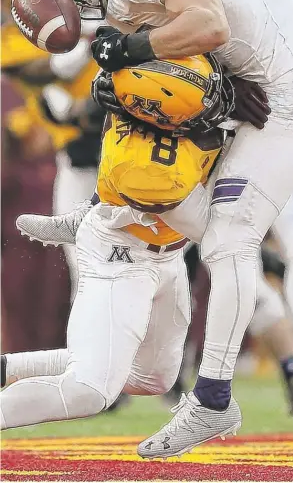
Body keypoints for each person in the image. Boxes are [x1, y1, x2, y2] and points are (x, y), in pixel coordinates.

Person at [28, 0, 293, 456]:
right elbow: (214, 34)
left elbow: (211, 23)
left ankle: (213, 400)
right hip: (261, 81)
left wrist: (128, 51)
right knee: (137, 115)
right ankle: (106, 212)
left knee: (230, 241)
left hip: (283, 97)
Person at [0, 54, 228, 429]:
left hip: (166, 256)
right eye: (195, 92)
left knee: (152, 378)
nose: (209, 99)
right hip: (121, 254)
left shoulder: (154, 113)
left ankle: (11, 366)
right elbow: (208, 227)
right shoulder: (144, 170)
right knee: (88, 392)